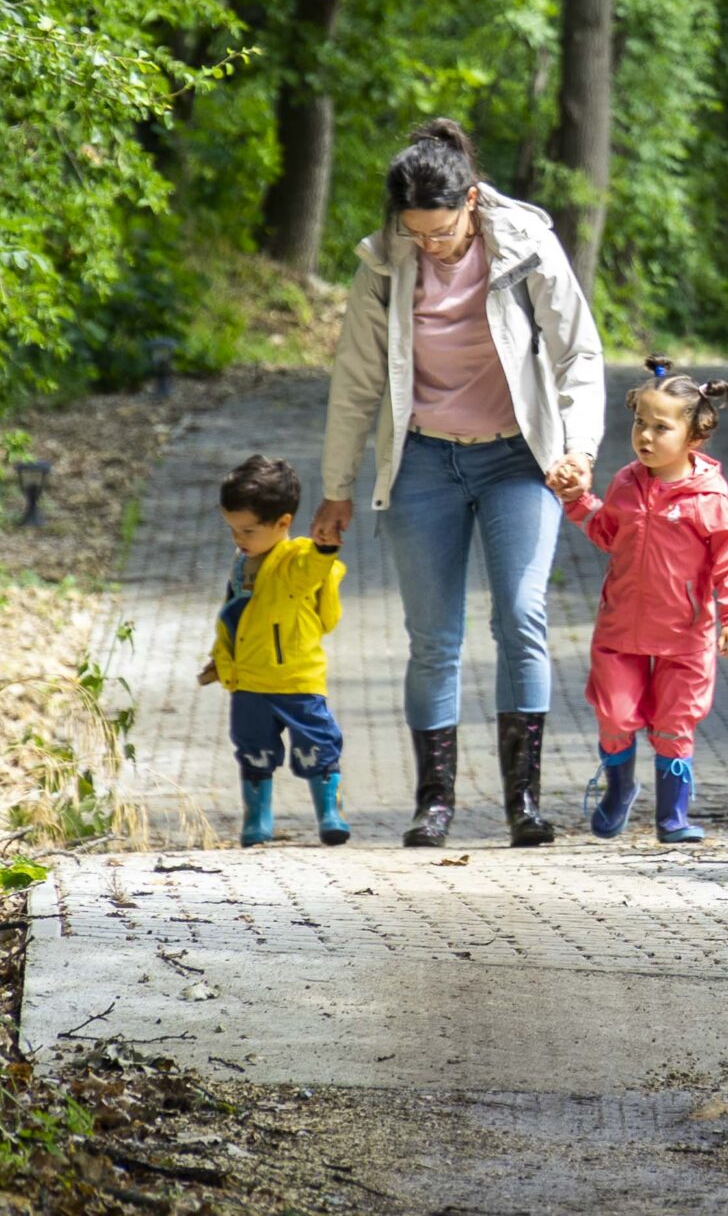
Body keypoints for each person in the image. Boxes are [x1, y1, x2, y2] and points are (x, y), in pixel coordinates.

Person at [316, 119, 605, 849]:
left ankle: (525, 800)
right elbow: (354, 380)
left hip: (517, 456)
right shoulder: (383, 263)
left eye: (440, 232)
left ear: (471, 202)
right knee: (432, 639)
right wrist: (336, 484)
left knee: (520, 615)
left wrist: (579, 448)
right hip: (423, 462)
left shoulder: (528, 243)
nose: (429, 246)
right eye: (415, 234)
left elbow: (578, 352)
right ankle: (434, 802)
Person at [547, 362, 728, 844]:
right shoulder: (625, 482)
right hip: (621, 628)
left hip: (686, 633)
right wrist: (578, 500)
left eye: (662, 427)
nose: (646, 435)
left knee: (674, 721)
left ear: (693, 436)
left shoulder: (708, 498)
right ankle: (619, 788)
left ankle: (672, 817)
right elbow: (606, 533)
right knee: (615, 714)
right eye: (640, 422)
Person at [202, 455, 349, 848]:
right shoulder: (241, 564)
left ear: (282, 524)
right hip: (249, 679)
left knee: (318, 746)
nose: (239, 539)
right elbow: (234, 617)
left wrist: (325, 548)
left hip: (296, 679)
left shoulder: (295, 560)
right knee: (253, 751)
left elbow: (314, 569)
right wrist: (221, 658)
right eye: (233, 529)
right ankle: (257, 818)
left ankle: (330, 812)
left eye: (248, 530)